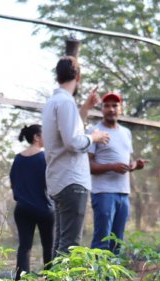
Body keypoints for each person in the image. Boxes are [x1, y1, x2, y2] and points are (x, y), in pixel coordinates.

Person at [41, 56, 110, 255]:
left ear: (57, 76)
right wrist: (94, 138)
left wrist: (86, 107)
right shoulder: (65, 102)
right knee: (70, 243)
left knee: (61, 239)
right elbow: (73, 141)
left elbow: (68, 130)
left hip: (59, 179)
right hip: (72, 181)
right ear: (78, 76)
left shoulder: (53, 102)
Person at [87, 92, 146, 252]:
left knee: (117, 242)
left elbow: (125, 164)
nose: (111, 109)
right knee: (102, 240)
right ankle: (95, 277)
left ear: (121, 108)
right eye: (107, 106)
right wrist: (112, 166)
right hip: (103, 192)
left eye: (115, 105)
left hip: (123, 193)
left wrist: (135, 166)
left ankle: (111, 278)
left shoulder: (126, 132)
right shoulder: (94, 131)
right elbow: (88, 166)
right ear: (101, 108)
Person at [9, 124, 54, 280]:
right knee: (48, 246)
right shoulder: (44, 158)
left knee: (24, 247)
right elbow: (51, 183)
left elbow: (13, 183)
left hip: (22, 209)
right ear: (36, 137)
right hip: (43, 209)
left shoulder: (18, 158)